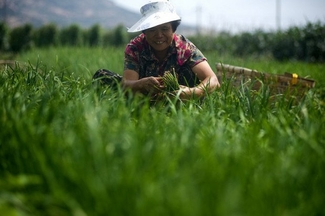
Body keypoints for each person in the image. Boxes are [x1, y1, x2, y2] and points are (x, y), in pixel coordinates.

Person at [93, 0, 220, 101]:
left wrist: (191, 92)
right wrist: (141, 84)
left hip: (179, 98)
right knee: (103, 77)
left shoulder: (185, 48)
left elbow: (213, 80)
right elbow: (127, 83)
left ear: (173, 30)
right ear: (144, 32)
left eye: (164, 29)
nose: (159, 35)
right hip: (144, 96)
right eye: (152, 30)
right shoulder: (135, 48)